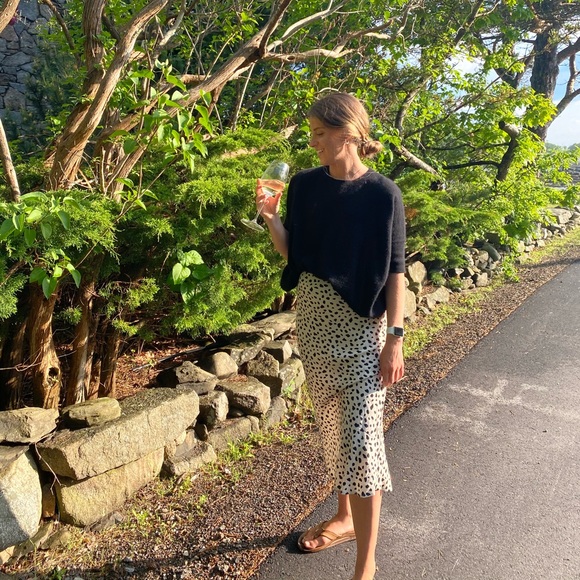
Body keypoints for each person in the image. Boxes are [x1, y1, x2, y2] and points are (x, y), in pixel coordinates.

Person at [256, 92, 406, 580]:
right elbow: (295, 255)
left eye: (320, 133)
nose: (313, 142)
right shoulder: (304, 185)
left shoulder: (383, 194)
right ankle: (343, 518)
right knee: (334, 428)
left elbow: (396, 272)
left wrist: (395, 339)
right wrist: (272, 218)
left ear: (349, 135)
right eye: (312, 133)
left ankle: (366, 567)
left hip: (362, 332)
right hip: (315, 324)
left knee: (362, 444)